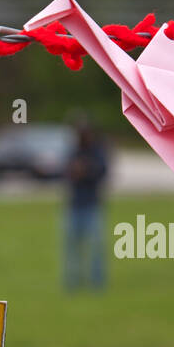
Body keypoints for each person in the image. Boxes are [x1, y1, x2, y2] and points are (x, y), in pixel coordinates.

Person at [62, 120, 109, 291]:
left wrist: (86, 170)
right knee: (72, 248)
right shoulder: (73, 151)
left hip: (92, 205)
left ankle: (97, 282)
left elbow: (103, 171)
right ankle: (72, 282)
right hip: (74, 205)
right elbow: (65, 172)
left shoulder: (97, 151)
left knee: (96, 247)